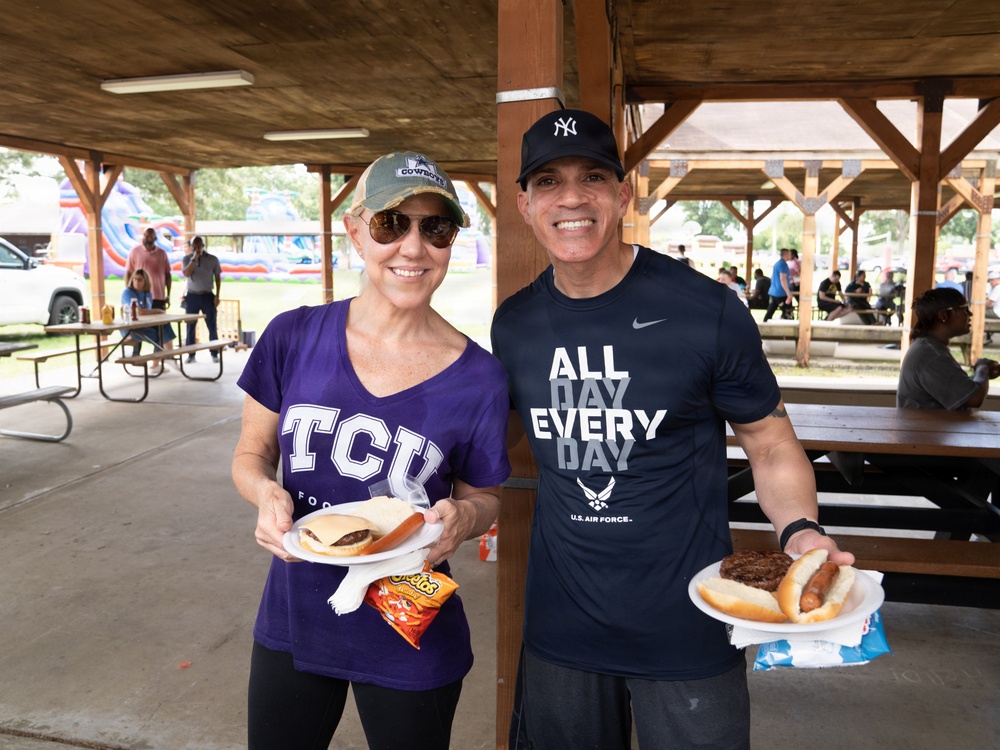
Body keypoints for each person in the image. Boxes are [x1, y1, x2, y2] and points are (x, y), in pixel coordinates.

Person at [491, 108, 853, 750]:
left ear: (622, 193)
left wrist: (801, 532)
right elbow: (500, 440)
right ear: (524, 203)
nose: (571, 197)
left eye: (592, 177)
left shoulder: (704, 310)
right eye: (548, 181)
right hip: (562, 628)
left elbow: (770, 444)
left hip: (688, 621)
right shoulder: (514, 324)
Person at [231, 151, 511, 750]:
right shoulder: (293, 335)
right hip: (294, 618)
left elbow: (485, 496)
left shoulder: (479, 377)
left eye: (435, 228)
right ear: (356, 232)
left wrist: (466, 517)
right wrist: (264, 494)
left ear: (451, 242)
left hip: (411, 624)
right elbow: (250, 456)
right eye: (391, 224)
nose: (413, 248)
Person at [897, 287, 1000, 409]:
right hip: (926, 427)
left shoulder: (929, 347)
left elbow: (956, 386)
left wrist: (982, 374)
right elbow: (974, 399)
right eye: (964, 309)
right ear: (943, 316)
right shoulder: (932, 355)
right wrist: (983, 367)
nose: (970, 314)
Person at [119, 268, 176, 375]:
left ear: (145, 281)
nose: (136, 282)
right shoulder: (127, 292)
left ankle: (166, 358)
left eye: (140, 280)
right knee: (160, 335)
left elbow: (146, 313)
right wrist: (158, 311)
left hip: (143, 326)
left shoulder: (147, 293)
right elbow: (138, 312)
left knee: (164, 326)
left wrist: (155, 313)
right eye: (135, 279)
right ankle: (166, 358)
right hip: (130, 329)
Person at [180, 235, 222, 362]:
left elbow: (218, 277)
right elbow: (186, 273)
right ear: (191, 247)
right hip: (192, 295)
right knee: (190, 326)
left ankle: (214, 353)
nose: (197, 248)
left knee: (212, 324)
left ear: (203, 246)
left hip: (208, 295)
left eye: (199, 246)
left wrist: (217, 296)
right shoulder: (187, 258)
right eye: (194, 246)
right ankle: (191, 354)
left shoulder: (213, 259)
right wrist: (194, 259)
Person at [124, 227, 172, 310]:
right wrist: (129, 292)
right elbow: (129, 273)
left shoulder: (162, 253)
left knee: (159, 321)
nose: (146, 238)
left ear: (155, 238)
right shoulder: (135, 251)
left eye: (149, 235)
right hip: (140, 296)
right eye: (145, 235)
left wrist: (168, 295)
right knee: (142, 320)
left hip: (158, 296)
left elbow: (167, 275)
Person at [762, 247, 794, 321]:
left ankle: (764, 324)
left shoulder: (778, 263)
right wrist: (788, 293)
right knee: (788, 313)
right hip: (781, 293)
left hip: (774, 292)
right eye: (789, 254)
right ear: (785, 254)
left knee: (770, 311)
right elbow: (782, 279)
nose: (791, 255)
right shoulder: (783, 265)